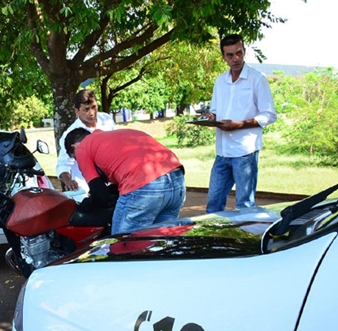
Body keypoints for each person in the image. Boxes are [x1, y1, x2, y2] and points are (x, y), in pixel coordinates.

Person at [203, 33, 277, 213]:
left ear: (244, 52)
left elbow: (269, 115)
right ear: (223, 57)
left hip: (245, 151)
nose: (235, 58)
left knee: (244, 206)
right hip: (222, 151)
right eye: (230, 55)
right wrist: (211, 117)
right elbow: (215, 110)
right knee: (213, 204)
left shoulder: (256, 79)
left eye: (239, 53)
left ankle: (246, 239)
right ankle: (214, 240)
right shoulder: (220, 81)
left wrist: (239, 125)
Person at [64, 127, 185, 234]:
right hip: (176, 179)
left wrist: (87, 204)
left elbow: (100, 195)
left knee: (123, 246)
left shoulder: (82, 149)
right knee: (161, 244)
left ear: (74, 147)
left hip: (144, 184)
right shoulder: (111, 137)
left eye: (75, 158)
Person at [56, 89, 116, 192]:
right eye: (86, 109)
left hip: (113, 179)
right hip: (86, 187)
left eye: (94, 107)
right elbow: (63, 164)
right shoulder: (69, 135)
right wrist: (68, 181)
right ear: (77, 111)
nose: (91, 113)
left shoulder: (107, 119)